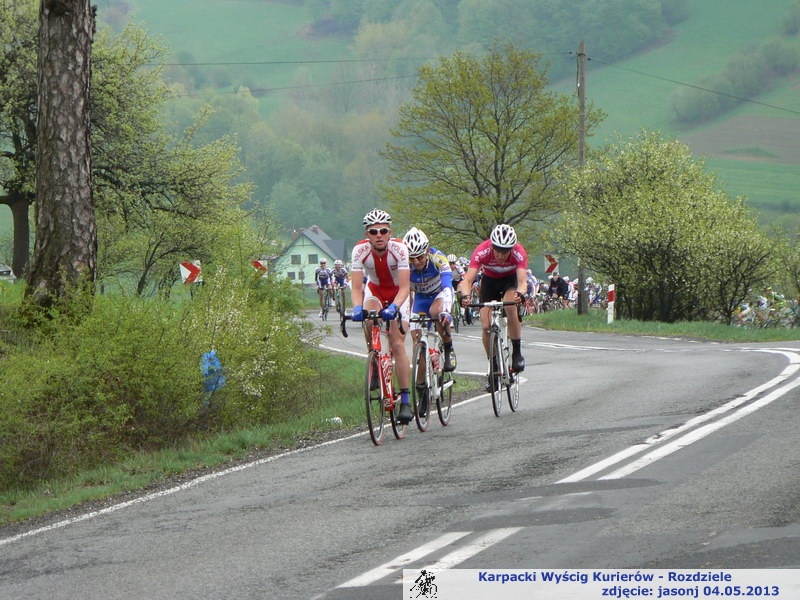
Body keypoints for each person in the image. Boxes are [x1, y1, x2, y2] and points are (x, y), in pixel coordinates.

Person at [349, 209, 413, 424]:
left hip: (398, 294)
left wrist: (395, 307)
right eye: (373, 231)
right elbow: (357, 288)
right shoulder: (359, 251)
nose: (378, 235)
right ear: (367, 234)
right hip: (375, 290)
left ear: (389, 232)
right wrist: (357, 308)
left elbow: (405, 287)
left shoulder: (400, 249)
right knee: (368, 318)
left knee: (396, 343)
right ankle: (375, 359)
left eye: (383, 231)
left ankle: (405, 399)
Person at [458, 224, 527, 390]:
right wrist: (466, 296)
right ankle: (494, 365)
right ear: (491, 246)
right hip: (489, 282)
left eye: (505, 251)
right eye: (498, 250)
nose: (501, 255)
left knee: (511, 306)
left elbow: (522, 282)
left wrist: (521, 294)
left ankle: (517, 352)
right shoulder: (482, 251)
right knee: (486, 325)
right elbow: (468, 280)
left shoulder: (519, 252)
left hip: (510, 281)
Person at [404, 228, 458, 373]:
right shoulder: (403, 262)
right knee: (417, 342)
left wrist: (446, 311)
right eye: (411, 258)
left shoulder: (438, 258)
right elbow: (400, 290)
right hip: (420, 298)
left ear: (427, 251)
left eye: (420, 257)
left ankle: (448, 347)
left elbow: (447, 286)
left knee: (436, 312)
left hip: (439, 294)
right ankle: (421, 387)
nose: (416, 262)